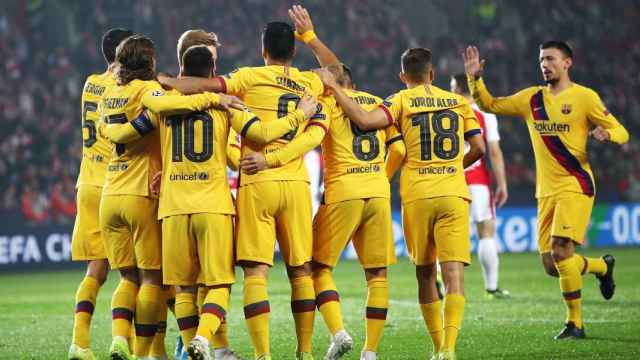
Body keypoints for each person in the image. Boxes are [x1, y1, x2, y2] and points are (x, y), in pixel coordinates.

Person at [158, 10, 337, 359]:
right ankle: (305, 354)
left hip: (255, 181)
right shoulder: (309, 82)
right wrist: (311, 36)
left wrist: (164, 79)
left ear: (262, 49)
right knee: (301, 270)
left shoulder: (245, 78)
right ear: (293, 51)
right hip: (296, 181)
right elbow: (337, 73)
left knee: (250, 274)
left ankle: (259, 355)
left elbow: (205, 87)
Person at [316, 47, 485, 360]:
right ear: (432, 74)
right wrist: (451, 169)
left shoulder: (399, 100)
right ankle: (446, 349)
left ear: (403, 76)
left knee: (424, 273)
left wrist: (333, 87)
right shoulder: (459, 102)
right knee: (452, 274)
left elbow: (366, 121)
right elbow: (478, 147)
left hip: (417, 194)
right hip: (453, 192)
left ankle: (435, 346)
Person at [464, 41, 628, 339]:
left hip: (575, 184)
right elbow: (491, 104)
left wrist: (607, 133)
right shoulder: (532, 99)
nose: (545, 64)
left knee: (562, 249)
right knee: (553, 265)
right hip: (546, 191)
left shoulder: (584, 97)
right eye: (541, 59)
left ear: (568, 63)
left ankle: (575, 324)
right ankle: (601, 267)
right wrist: (475, 79)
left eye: (551, 59)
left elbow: (621, 130)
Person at [242, 62, 404, 360]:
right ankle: (370, 352)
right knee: (377, 274)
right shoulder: (378, 104)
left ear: (332, 82)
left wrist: (272, 156)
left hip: (343, 191)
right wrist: (382, 177)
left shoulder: (327, 103)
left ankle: (338, 332)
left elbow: (313, 138)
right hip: (378, 192)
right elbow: (400, 150)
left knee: (316, 268)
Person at [97, 34, 242, 360]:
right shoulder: (154, 94)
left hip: (124, 195)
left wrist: (113, 133)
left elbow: (116, 131)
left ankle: (130, 343)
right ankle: (184, 347)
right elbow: (166, 105)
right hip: (158, 196)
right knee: (164, 281)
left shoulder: (111, 94)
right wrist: (213, 99)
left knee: (148, 282)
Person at [68, 27, 132, 360]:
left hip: (86, 184)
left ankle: (79, 343)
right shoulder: (126, 89)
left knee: (96, 270)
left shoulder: (90, 83)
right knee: (133, 272)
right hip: (115, 186)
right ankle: (122, 342)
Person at [451, 73, 510, 299]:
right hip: (478, 181)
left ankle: (443, 282)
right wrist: (502, 183)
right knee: (485, 231)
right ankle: (492, 287)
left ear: (457, 88)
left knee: (448, 235)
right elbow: (493, 151)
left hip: (451, 179)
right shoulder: (485, 114)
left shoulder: (446, 111)